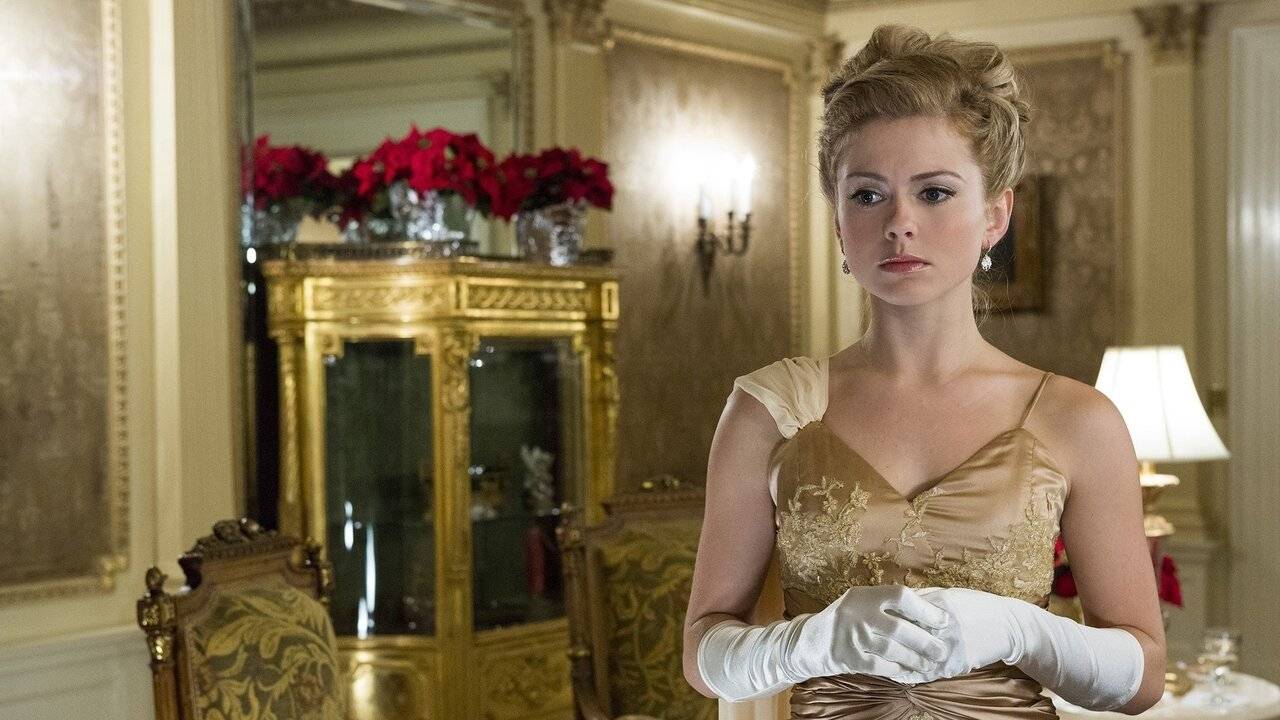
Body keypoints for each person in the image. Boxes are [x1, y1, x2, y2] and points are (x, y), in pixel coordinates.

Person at [681, 24, 1166, 719]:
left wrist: (1019, 630)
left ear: (995, 215)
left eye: (934, 192)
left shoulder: (1078, 419)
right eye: (867, 195)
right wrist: (811, 642)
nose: (899, 222)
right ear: (838, 221)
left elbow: (1142, 680)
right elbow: (704, 658)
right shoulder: (771, 410)